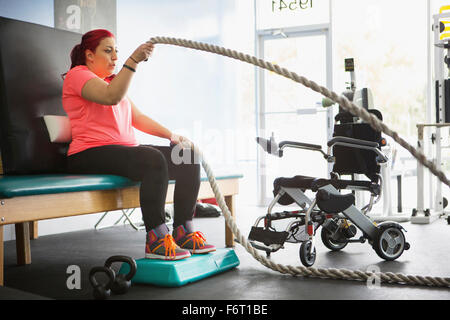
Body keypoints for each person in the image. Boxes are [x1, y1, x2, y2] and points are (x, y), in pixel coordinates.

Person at [62, 29, 216, 260]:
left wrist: (173, 136)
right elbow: (109, 97)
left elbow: (138, 118)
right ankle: (155, 237)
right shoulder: (78, 75)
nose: (114, 57)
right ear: (89, 55)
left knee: (187, 156)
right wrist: (133, 61)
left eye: (117, 51)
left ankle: (183, 231)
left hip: (123, 153)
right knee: (151, 159)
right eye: (108, 50)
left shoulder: (111, 82)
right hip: (88, 153)